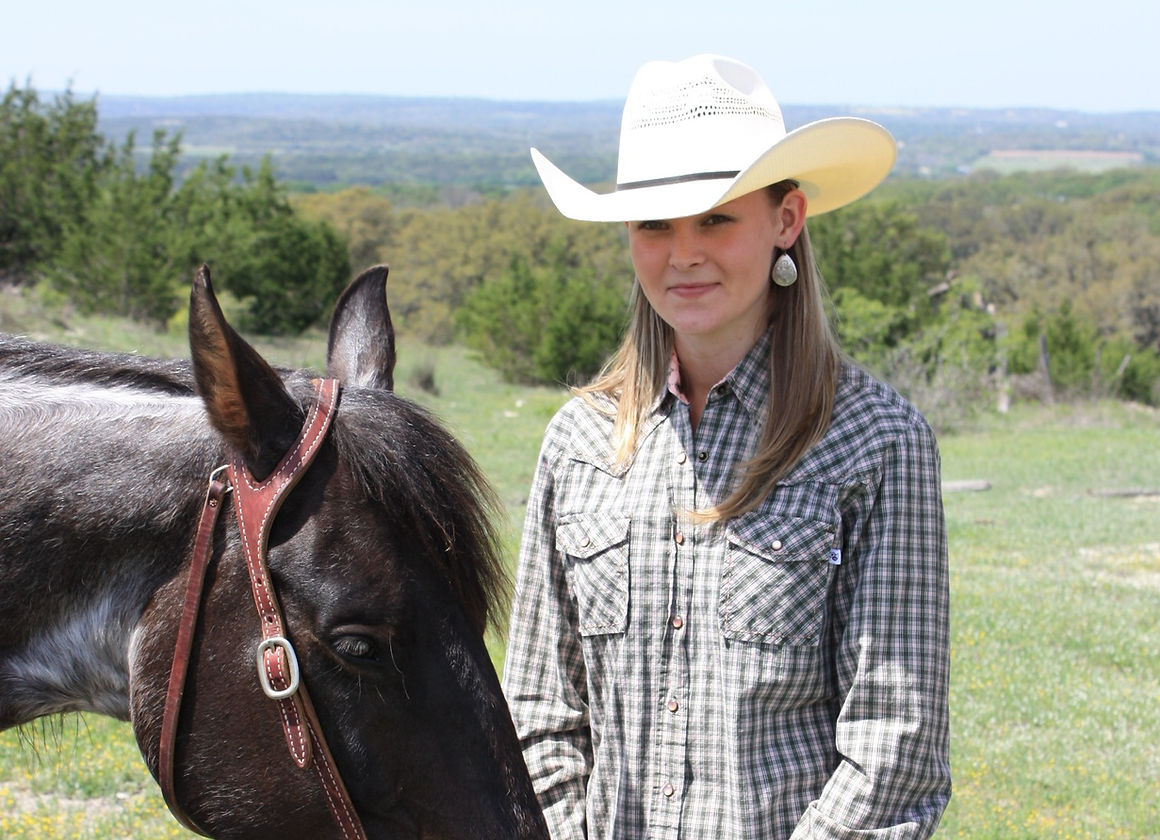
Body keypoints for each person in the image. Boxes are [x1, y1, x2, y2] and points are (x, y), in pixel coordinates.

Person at [502, 54, 951, 840]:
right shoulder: (579, 444)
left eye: (716, 218)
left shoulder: (876, 443)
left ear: (787, 220)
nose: (684, 254)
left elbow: (895, 750)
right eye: (654, 225)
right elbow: (541, 713)